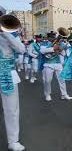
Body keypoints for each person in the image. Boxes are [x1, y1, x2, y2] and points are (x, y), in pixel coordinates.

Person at [0, 12, 26, 151]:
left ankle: (13, 141)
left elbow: (21, 49)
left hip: (7, 74)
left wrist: (6, 33)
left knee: (11, 109)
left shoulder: (10, 35)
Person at [40, 32, 72, 101]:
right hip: (48, 64)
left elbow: (64, 54)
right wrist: (53, 49)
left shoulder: (60, 43)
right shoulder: (44, 43)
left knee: (62, 80)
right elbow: (42, 51)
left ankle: (64, 94)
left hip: (58, 63)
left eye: (54, 36)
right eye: (52, 37)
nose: (54, 38)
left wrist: (61, 50)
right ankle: (47, 94)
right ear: (48, 37)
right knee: (48, 81)